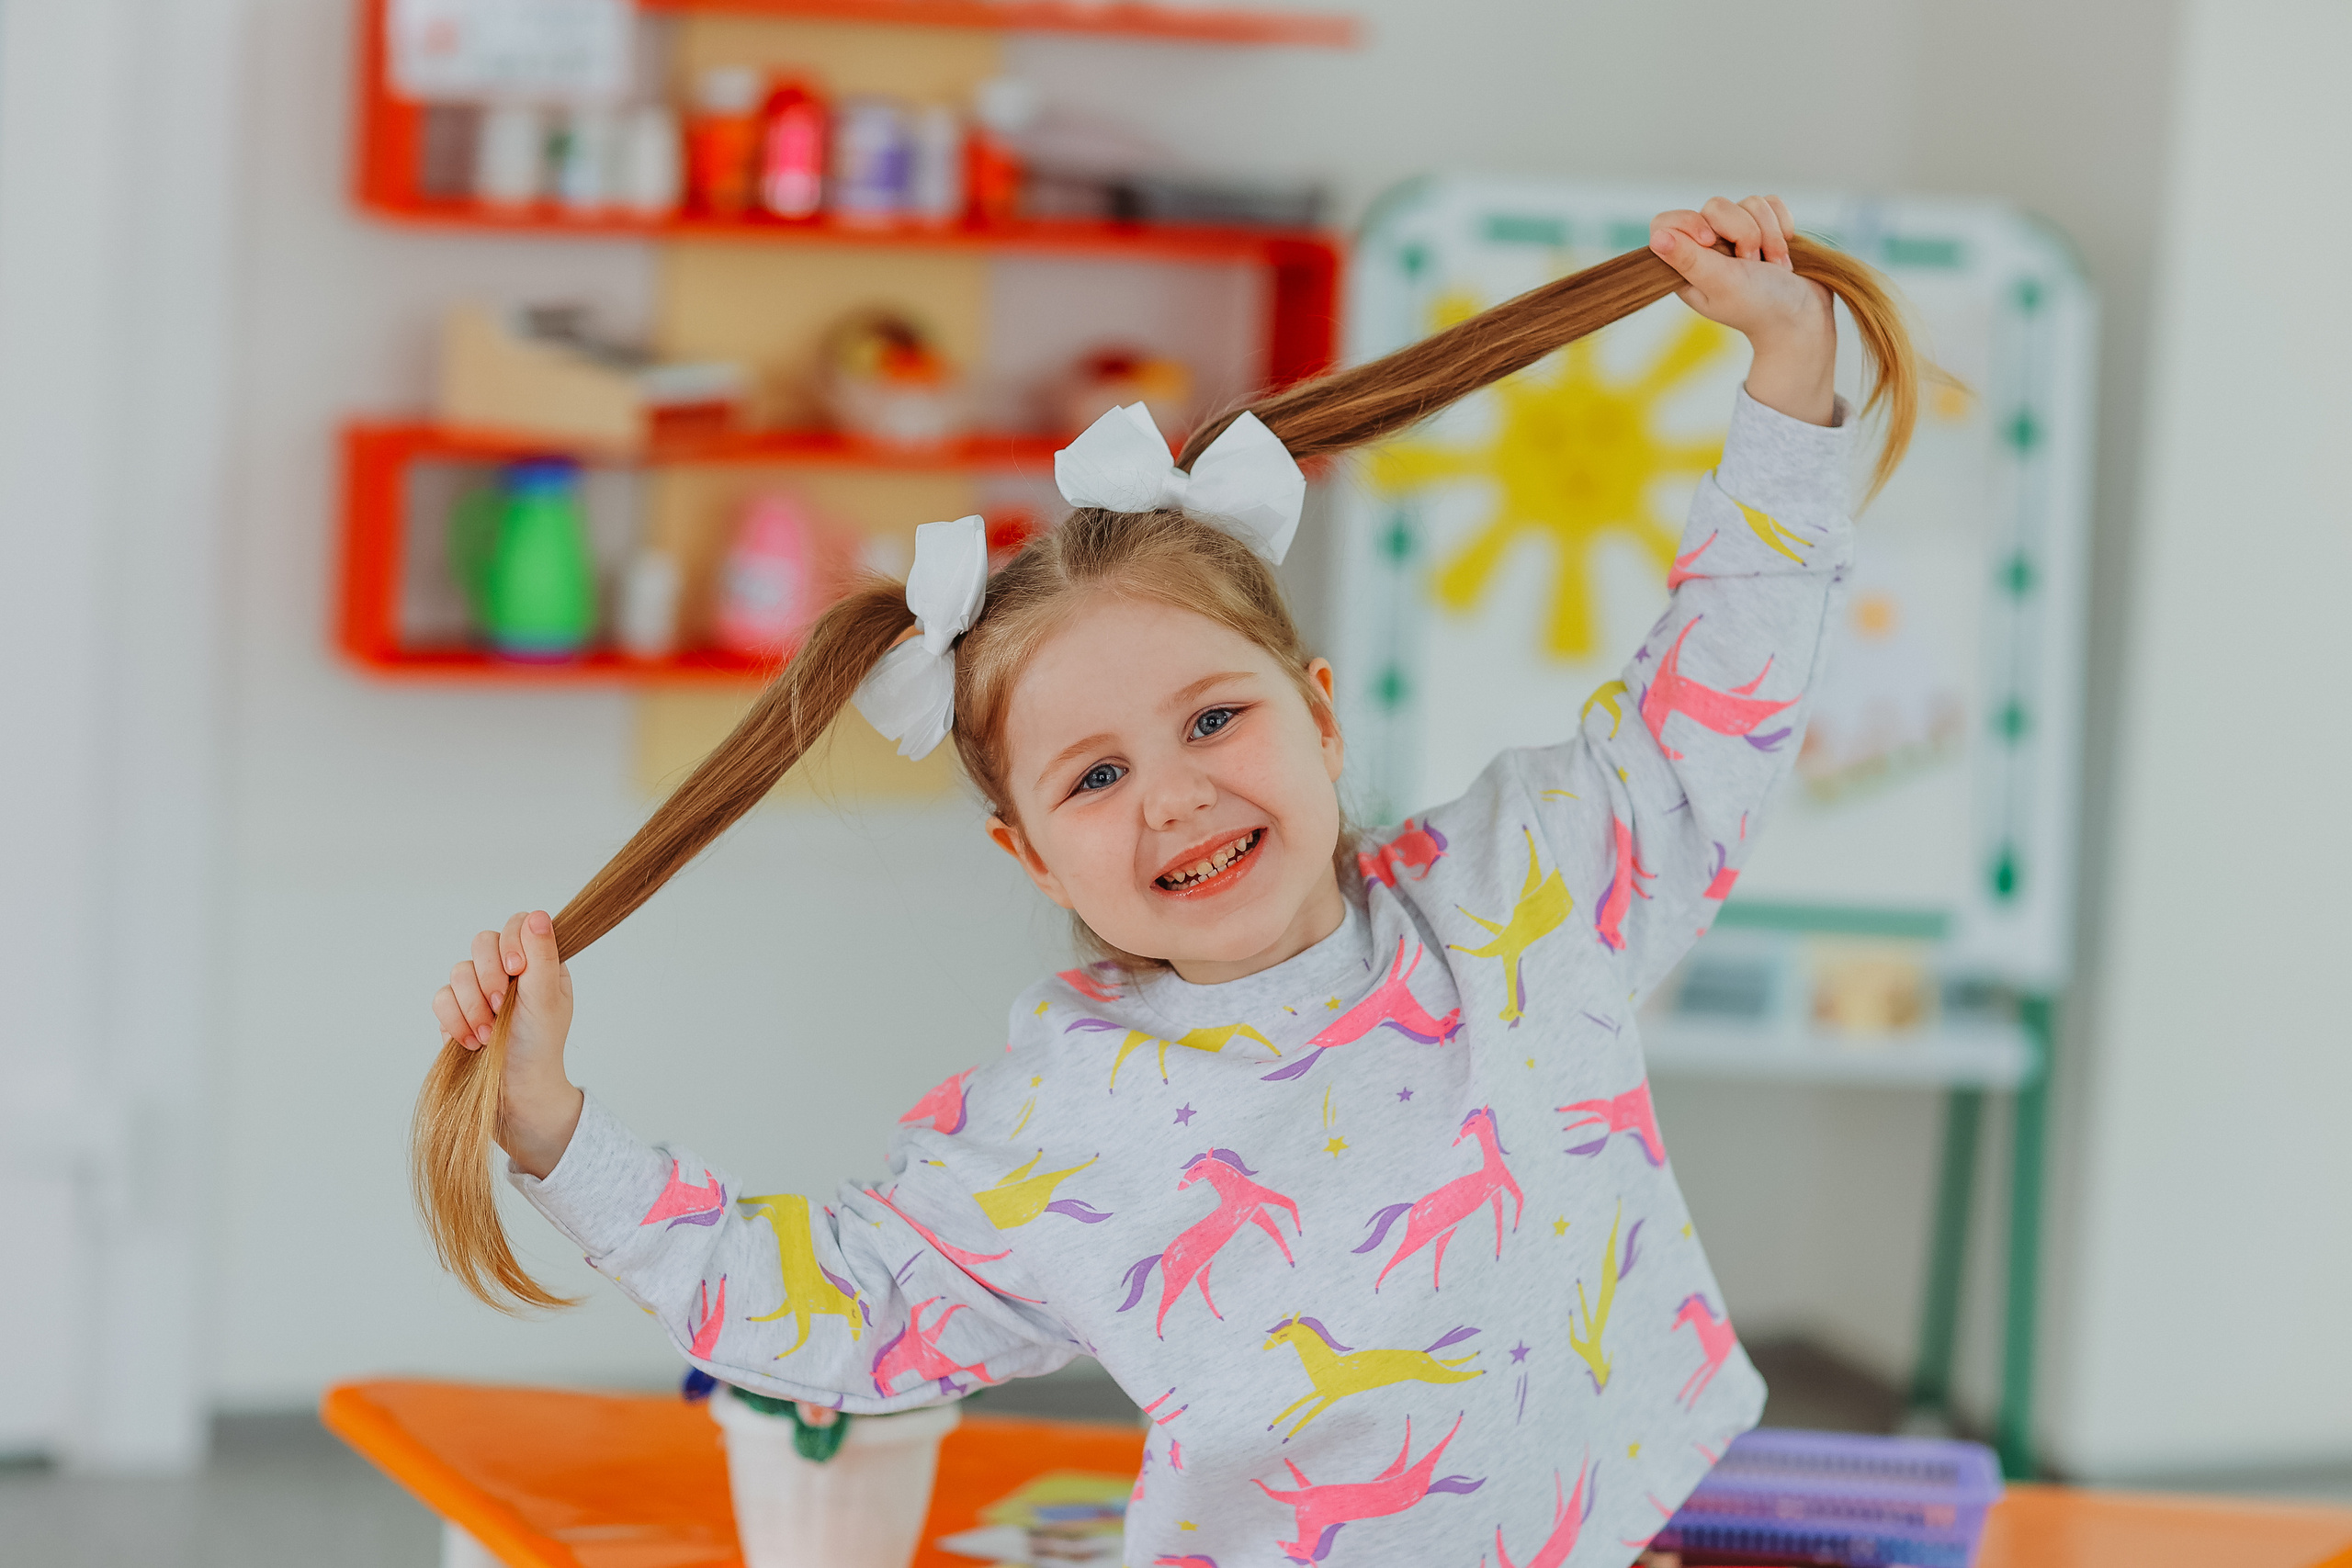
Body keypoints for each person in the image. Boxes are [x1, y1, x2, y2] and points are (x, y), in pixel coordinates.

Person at [423, 195, 1918, 1566]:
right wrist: (554, 1126)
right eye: (1095, 776)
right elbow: (827, 1307)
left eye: (1215, 719)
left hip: (1624, 1531)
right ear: (1026, 850)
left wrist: (1789, 381)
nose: (1177, 796)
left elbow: (1712, 699)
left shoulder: (1522, 895)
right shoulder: (1069, 1123)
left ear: (1322, 716)